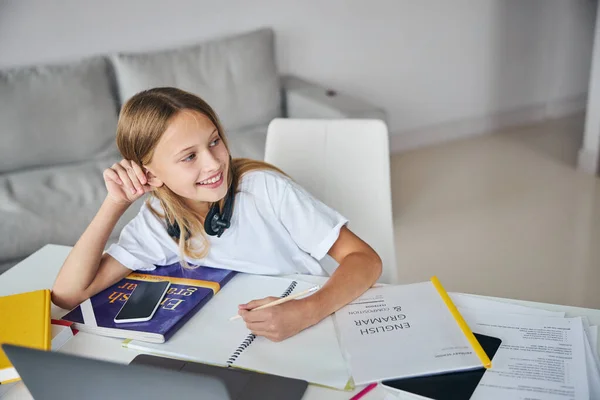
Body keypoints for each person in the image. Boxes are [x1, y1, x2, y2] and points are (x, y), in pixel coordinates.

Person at [51, 87, 382, 342]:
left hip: (312, 321)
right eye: (189, 156)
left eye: (214, 142)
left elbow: (365, 259)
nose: (213, 163)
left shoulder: (264, 190)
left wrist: (307, 312)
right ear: (149, 172)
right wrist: (115, 203)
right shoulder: (157, 220)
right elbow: (68, 295)